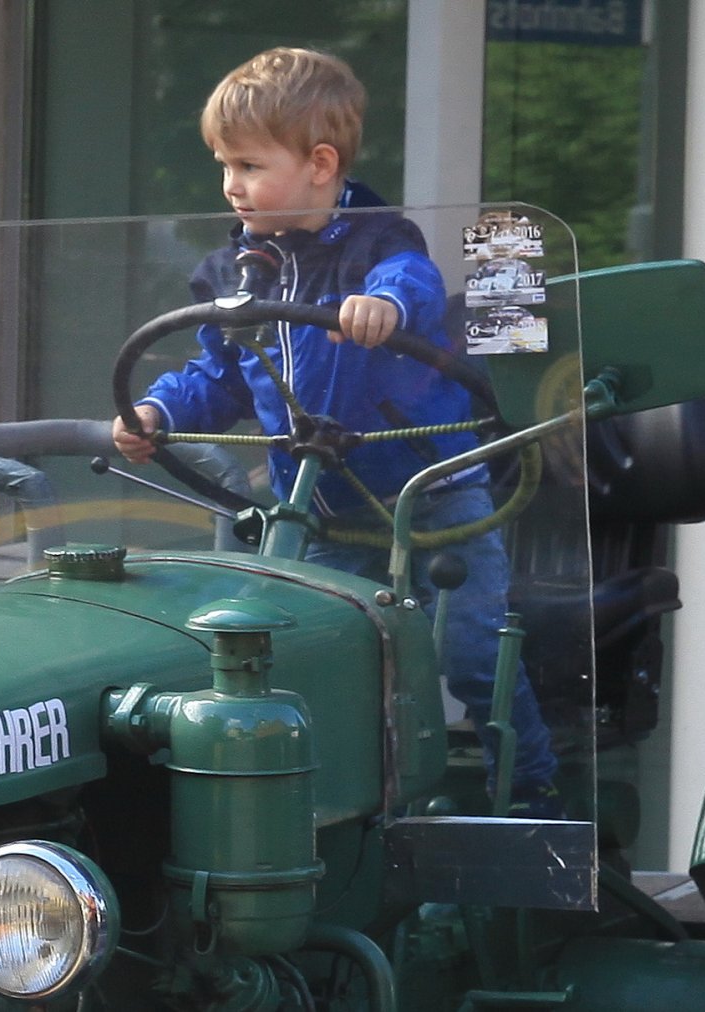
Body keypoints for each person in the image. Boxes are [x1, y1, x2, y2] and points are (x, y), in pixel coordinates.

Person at [111, 48, 561, 818]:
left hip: (431, 498)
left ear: (320, 165)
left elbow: (412, 285)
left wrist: (382, 306)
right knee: (314, 662)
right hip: (320, 513)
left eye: (250, 165)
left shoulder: (379, 243)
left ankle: (529, 796)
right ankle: (339, 817)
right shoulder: (234, 273)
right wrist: (157, 413)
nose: (231, 185)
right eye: (224, 165)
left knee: (472, 651)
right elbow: (219, 377)